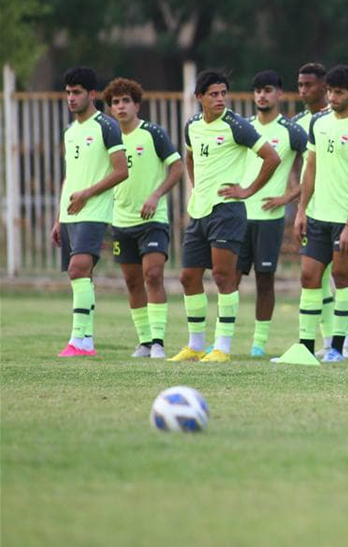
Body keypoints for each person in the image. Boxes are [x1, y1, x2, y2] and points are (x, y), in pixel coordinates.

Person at [173, 70, 280, 362]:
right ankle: (195, 345)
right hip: (199, 211)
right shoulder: (192, 126)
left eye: (223, 93)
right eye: (213, 94)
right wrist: (198, 188)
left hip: (227, 211)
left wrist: (247, 190)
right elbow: (191, 156)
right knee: (187, 277)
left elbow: (272, 157)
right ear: (199, 98)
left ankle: (223, 347)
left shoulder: (237, 125)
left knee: (223, 276)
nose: (220, 99)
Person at [294, 65, 348, 363]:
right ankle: (303, 349)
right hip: (317, 216)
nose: (332, 97)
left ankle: (337, 348)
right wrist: (302, 210)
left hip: (345, 220)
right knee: (308, 276)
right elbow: (310, 167)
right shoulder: (318, 122)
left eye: (338, 92)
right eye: (329, 91)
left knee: (342, 277)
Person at [102, 77, 183, 359]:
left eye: (126, 101)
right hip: (121, 222)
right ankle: (144, 342)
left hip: (153, 220)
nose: (120, 106)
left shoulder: (153, 133)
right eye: (115, 102)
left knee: (153, 274)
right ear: (110, 108)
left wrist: (156, 194)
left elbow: (177, 168)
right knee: (133, 282)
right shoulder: (109, 139)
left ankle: (159, 341)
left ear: (137, 105)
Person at [52, 67, 129, 357]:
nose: (71, 98)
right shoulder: (69, 132)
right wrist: (58, 218)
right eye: (68, 92)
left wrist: (87, 194)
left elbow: (121, 171)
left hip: (94, 210)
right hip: (70, 214)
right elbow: (69, 178)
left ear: (92, 94)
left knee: (78, 269)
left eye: (77, 92)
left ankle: (77, 341)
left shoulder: (106, 126)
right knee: (81, 276)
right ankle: (87, 340)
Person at [237, 70, 307, 358]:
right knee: (226, 278)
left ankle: (258, 343)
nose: (261, 95)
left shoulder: (291, 132)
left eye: (267, 90)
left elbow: (313, 169)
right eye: (257, 91)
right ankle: (222, 341)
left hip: (269, 220)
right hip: (238, 216)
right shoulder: (242, 128)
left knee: (264, 279)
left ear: (279, 94)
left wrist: (288, 196)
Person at [292, 63, 344, 353]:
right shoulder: (300, 122)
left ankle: (342, 343)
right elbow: (299, 167)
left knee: (341, 278)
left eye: (308, 85)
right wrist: (298, 203)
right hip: (314, 211)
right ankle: (314, 344)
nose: (303, 90)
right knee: (313, 279)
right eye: (299, 85)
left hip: (340, 213)